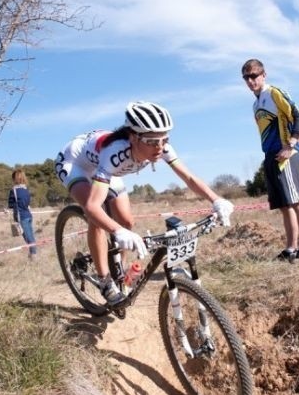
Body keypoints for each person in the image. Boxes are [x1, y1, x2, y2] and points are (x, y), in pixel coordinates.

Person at [54, 101, 234, 305]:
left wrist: (216, 199)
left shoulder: (161, 146)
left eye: (164, 140)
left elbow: (189, 178)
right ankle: (104, 281)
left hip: (104, 167)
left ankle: (118, 271)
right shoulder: (115, 153)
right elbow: (93, 207)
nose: (159, 147)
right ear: (133, 136)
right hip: (75, 163)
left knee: (127, 222)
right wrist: (116, 231)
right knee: (97, 219)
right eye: (151, 141)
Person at [241, 58, 299, 262]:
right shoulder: (256, 104)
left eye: (254, 76)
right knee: (284, 204)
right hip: (270, 155)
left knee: (297, 201)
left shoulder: (274, 93)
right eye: (246, 77)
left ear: (263, 75)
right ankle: (291, 248)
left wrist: (291, 144)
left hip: (286, 155)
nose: (250, 80)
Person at [8, 169, 37, 260]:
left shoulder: (13, 191)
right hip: (28, 215)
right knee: (31, 236)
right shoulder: (26, 189)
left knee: (28, 237)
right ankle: (32, 254)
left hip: (21, 217)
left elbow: (10, 204)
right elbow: (28, 202)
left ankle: (33, 256)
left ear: (15, 178)